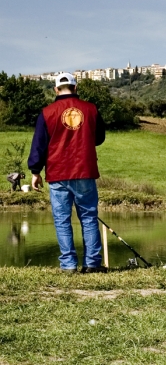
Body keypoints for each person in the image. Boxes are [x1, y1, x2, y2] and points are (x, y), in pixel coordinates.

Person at [27, 72, 107, 274]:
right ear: (76, 87)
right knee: (88, 217)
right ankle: (92, 264)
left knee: (62, 220)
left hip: (58, 172)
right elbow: (98, 138)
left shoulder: (47, 113)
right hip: (85, 171)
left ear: (55, 89)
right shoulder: (91, 109)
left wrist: (35, 171)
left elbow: (39, 145)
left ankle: (68, 265)